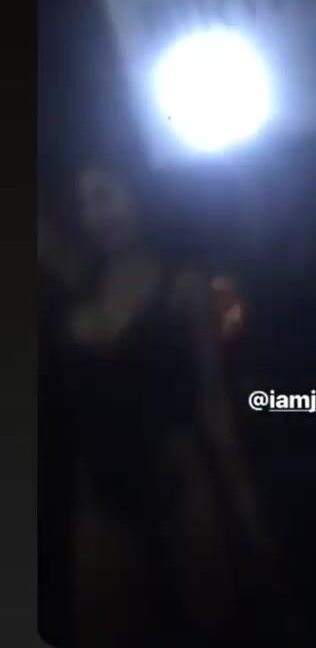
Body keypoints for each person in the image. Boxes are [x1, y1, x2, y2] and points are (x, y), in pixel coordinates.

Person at [40, 162, 265, 645]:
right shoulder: (76, 293)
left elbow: (213, 397)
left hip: (180, 481)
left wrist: (240, 498)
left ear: (137, 196)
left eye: (106, 195)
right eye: (85, 203)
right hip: (102, 498)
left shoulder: (183, 284)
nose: (97, 213)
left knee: (210, 626)